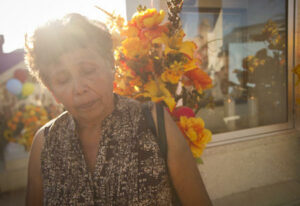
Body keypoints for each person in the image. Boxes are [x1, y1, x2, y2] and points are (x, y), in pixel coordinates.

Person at [25, 13, 212, 206]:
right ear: (52, 91)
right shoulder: (45, 143)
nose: (79, 88)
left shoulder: (155, 124)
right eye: (63, 79)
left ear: (110, 66)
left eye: (88, 71)